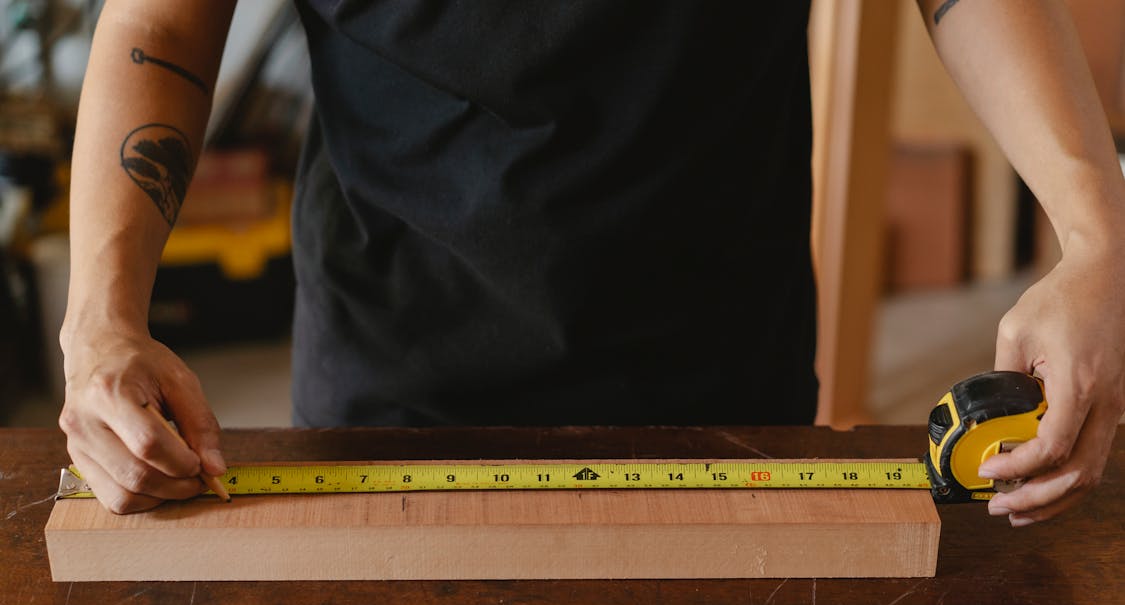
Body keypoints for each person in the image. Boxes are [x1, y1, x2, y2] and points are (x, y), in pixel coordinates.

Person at [60, 0, 1125, 523]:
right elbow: (163, 18)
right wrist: (102, 316)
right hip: (388, 383)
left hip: (723, 379)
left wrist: (1097, 239)